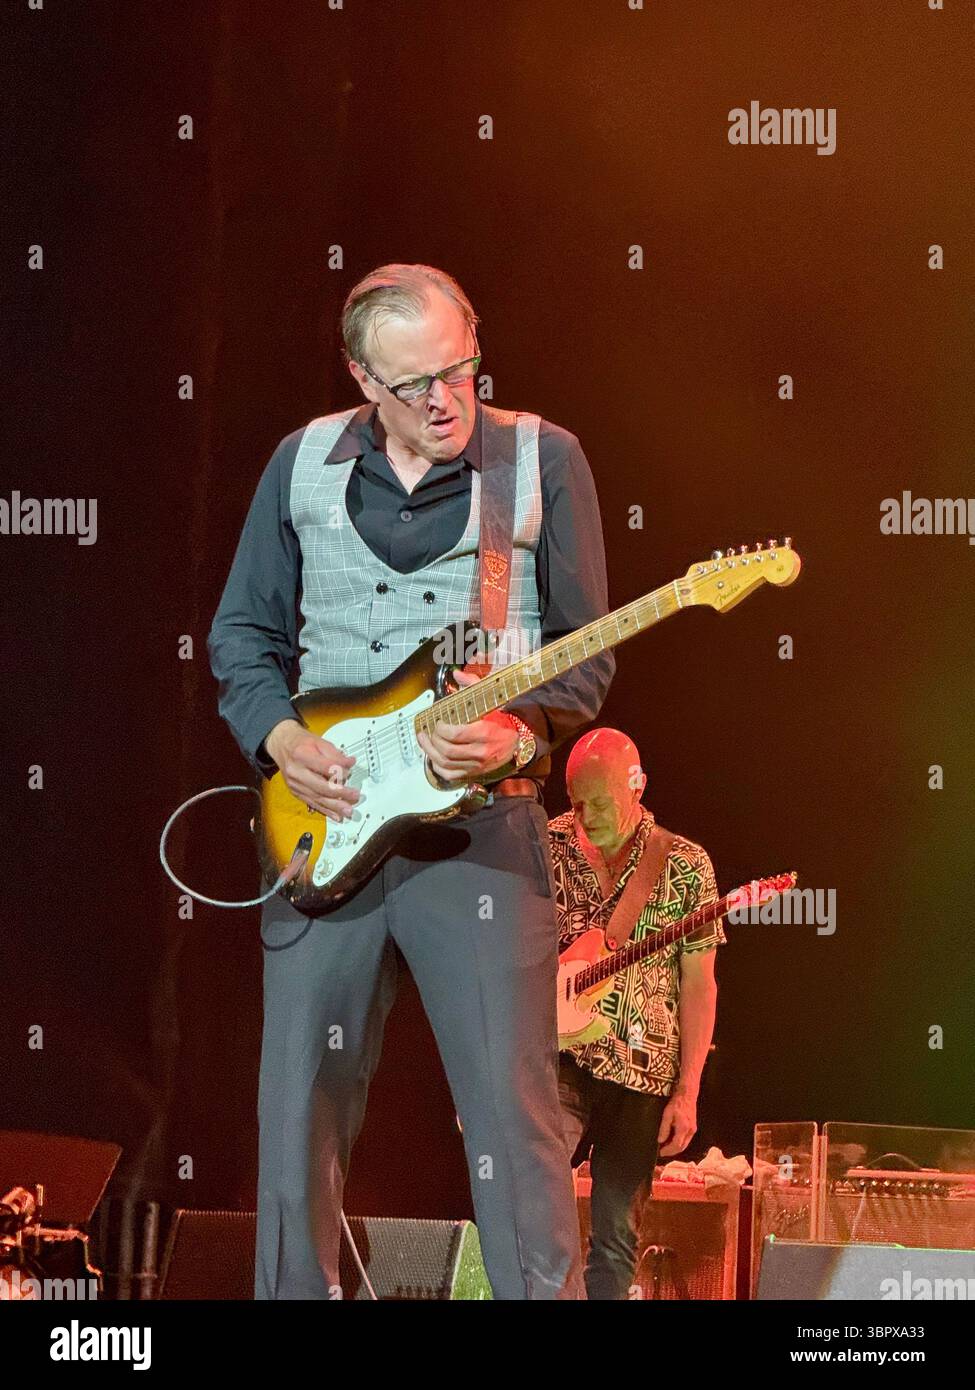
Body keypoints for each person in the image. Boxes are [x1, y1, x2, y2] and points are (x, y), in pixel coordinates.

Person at [207, 263, 614, 1299]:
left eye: (459, 367)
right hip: (324, 822)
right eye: (412, 384)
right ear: (360, 378)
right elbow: (242, 636)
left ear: (474, 339)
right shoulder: (298, 463)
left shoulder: (542, 459)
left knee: (514, 1121)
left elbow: (586, 654)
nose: (443, 399)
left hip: (480, 839)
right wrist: (282, 739)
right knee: (297, 1112)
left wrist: (522, 733)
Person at [549, 728, 723, 1299]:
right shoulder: (545, 846)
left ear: (637, 785)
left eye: (600, 802)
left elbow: (699, 985)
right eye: (577, 802)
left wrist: (688, 1090)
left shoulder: (685, 864)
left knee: (616, 1232)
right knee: (530, 1190)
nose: (587, 815)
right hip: (559, 1057)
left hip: (643, 1070)